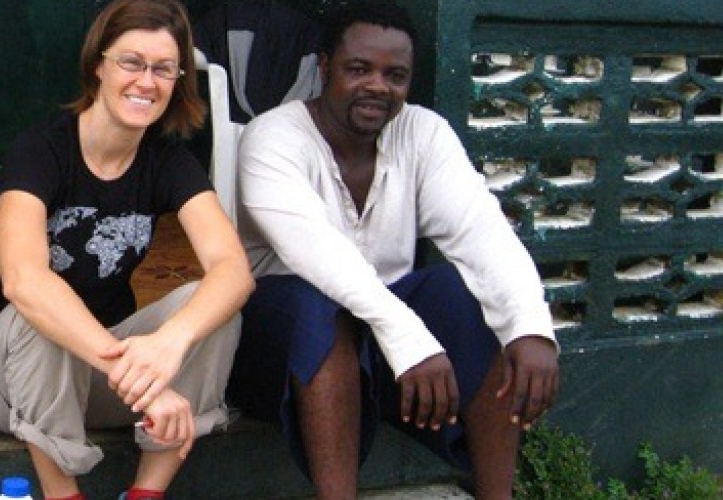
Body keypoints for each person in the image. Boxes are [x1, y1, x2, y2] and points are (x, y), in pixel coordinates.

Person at [225, 3, 560, 499]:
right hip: (280, 349)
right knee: (317, 309)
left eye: (394, 75)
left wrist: (530, 328)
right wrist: (409, 338)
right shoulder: (273, 137)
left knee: (464, 290)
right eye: (358, 69)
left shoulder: (422, 132)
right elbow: (317, 255)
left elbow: (482, 233)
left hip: (384, 343)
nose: (377, 86)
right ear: (325, 69)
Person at [0, 1, 253, 499]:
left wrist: (171, 342)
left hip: (104, 380)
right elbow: (23, 280)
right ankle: (64, 494)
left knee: (212, 308)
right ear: (98, 65)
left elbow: (233, 270)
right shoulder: (42, 148)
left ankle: (145, 493)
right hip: (8, 374)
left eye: (164, 69)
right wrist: (129, 370)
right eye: (131, 62)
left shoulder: (169, 162)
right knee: (41, 308)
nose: (147, 82)